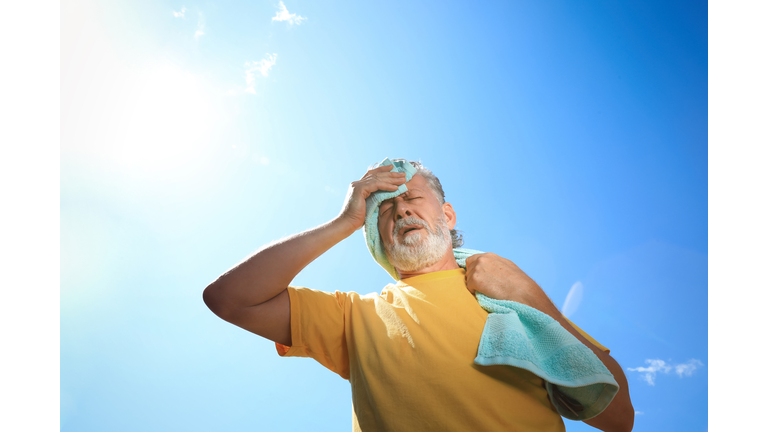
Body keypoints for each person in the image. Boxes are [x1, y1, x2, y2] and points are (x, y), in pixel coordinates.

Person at [203, 160, 635, 432]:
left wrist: (527, 294)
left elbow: (619, 419)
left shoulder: (511, 301)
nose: (402, 210)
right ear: (377, 239)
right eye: (386, 210)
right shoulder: (354, 316)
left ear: (446, 215)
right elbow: (230, 299)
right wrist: (345, 220)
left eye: (411, 199)